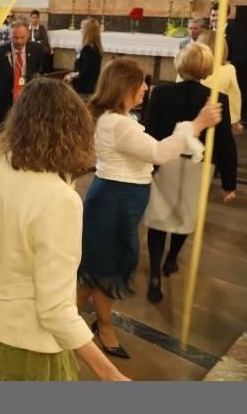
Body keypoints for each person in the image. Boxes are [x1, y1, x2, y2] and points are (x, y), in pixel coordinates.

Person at [0, 78, 128, 382]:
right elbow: (55, 309)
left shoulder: (1, 162)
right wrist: (110, 373)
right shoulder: (60, 200)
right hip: (24, 340)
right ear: (74, 129)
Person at [77, 57, 220, 358]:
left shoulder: (120, 119)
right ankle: (86, 326)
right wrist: (197, 125)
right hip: (113, 202)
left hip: (119, 200)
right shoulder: (117, 123)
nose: (145, 87)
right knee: (101, 269)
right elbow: (158, 153)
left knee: (102, 269)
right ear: (123, 86)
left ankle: (83, 323)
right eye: (140, 82)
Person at [143, 43, 237, 303]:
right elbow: (224, 141)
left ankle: (153, 276)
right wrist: (229, 181)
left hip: (166, 161)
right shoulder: (217, 98)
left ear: (179, 63)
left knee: (158, 218)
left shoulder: (161, 93)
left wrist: (147, 166)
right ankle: (171, 260)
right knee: (186, 215)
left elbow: (149, 131)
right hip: (200, 165)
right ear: (207, 68)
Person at [0, 19, 44, 129]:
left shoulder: (36, 49)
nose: (19, 41)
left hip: (27, 102)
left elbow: (38, 72)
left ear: (28, 35)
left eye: (22, 37)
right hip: (2, 104)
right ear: (9, 35)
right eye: (15, 37)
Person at [197, 33, 243, 135]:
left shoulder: (189, 68)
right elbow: (234, 96)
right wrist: (235, 121)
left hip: (193, 117)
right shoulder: (229, 70)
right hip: (217, 117)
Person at [64, 18, 103, 97]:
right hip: (84, 86)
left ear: (88, 31)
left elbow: (86, 71)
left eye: (82, 28)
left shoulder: (89, 49)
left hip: (84, 88)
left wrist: (71, 75)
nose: (80, 31)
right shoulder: (93, 47)